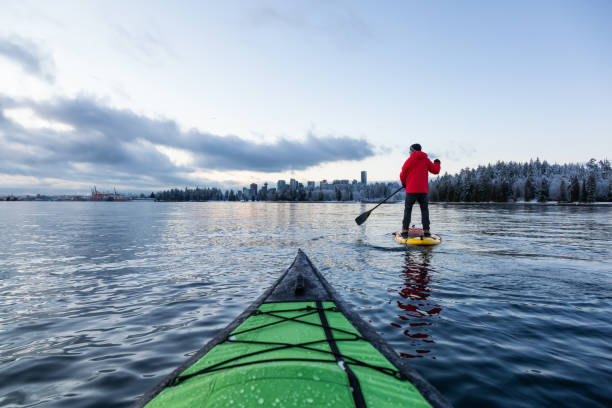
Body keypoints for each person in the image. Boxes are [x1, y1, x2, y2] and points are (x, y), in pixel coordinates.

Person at [399, 143, 441, 238]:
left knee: (408, 210)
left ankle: (405, 231)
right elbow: (435, 170)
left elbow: (402, 173)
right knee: (425, 211)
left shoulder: (409, 160)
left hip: (411, 191)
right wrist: (437, 163)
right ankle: (426, 231)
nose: (409, 152)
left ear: (413, 150)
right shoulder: (425, 160)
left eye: (410, 150)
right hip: (423, 191)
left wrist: (403, 183)